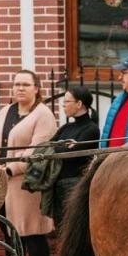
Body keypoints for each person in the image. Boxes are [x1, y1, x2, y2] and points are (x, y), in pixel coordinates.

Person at [0, 69, 58, 256]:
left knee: (32, 233)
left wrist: (10, 168)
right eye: (16, 84)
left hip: (26, 185)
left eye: (25, 84)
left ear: (36, 88)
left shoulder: (43, 115)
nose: (20, 88)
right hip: (0, 182)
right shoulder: (6, 111)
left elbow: (37, 151)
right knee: (9, 233)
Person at [44, 85, 99, 225]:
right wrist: (64, 146)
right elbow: (46, 148)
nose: (63, 105)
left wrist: (60, 147)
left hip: (75, 186)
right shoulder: (66, 128)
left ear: (79, 104)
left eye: (67, 102)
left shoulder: (91, 129)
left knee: (72, 227)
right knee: (59, 228)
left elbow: (71, 154)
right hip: (57, 186)